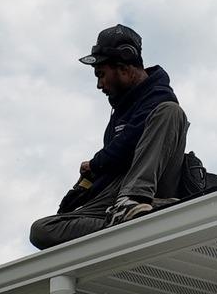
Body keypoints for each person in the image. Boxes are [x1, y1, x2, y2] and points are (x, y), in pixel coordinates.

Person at [29, 25, 191, 250]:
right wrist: (83, 191)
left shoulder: (159, 97)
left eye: (101, 74)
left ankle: (134, 202)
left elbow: (126, 145)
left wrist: (94, 164)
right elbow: (113, 160)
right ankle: (131, 217)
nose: (99, 85)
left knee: (170, 111)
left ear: (123, 68)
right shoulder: (119, 110)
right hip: (112, 200)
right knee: (42, 230)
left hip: (149, 187)